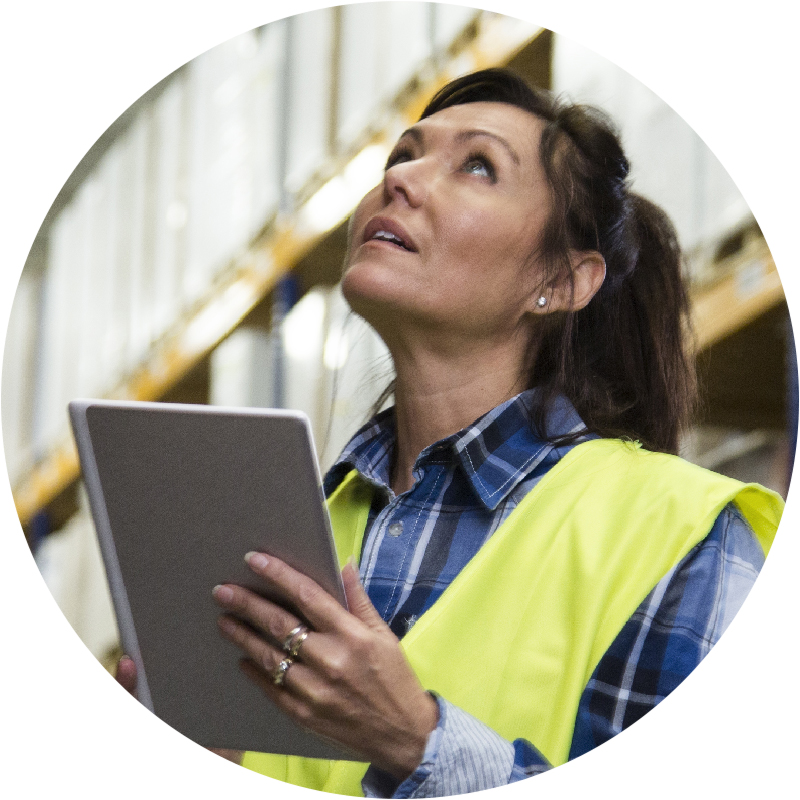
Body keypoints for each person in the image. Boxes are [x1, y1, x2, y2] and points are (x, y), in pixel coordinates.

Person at [119, 68, 782, 796]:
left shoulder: (684, 536)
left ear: (560, 282)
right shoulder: (281, 533)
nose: (401, 179)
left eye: (477, 165)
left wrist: (416, 742)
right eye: (403, 153)